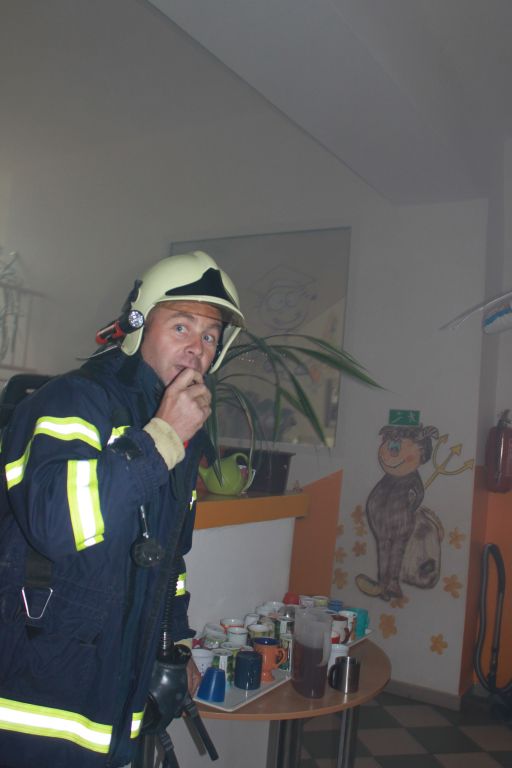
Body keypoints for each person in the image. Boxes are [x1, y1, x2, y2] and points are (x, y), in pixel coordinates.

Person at [0, 251, 245, 768]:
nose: (197, 348)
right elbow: (54, 524)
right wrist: (161, 440)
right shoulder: (72, 400)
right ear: (137, 327)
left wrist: (175, 642)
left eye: (210, 336)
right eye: (181, 326)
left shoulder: (178, 427)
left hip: (117, 684)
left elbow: (169, 555)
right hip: (34, 693)